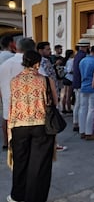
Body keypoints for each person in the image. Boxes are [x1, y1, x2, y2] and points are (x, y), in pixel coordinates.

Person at [7, 50, 57, 202]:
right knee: (40, 164)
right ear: (37, 63)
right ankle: (35, 198)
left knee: (20, 162)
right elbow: (54, 101)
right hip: (41, 125)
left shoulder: (14, 81)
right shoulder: (46, 80)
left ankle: (17, 195)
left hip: (18, 125)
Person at [0, 38, 35, 153]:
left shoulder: (4, 65)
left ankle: (9, 144)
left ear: (18, 47)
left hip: (8, 103)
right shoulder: (32, 64)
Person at [79, 45, 94, 140]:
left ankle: (82, 131)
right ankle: (89, 132)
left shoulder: (82, 61)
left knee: (83, 109)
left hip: (83, 86)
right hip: (93, 88)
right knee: (91, 110)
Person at [0, 35, 15, 150]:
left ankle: (6, 142)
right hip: (10, 89)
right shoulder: (13, 57)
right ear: (11, 44)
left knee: (4, 116)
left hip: (2, 88)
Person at [72, 38, 90, 132]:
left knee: (77, 104)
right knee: (81, 104)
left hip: (76, 82)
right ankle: (78, 123)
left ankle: (76, 122)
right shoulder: (84, 57)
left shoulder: (77, 56)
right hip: (80, 83)